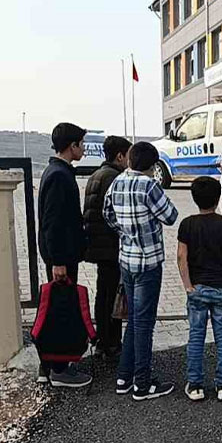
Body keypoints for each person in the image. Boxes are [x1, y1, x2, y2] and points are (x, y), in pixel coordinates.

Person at [103, 141, 178, 401]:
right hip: (149, 262)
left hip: (126, 260)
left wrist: (127, 233)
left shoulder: (117, 182)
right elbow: (171, 216)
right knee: (144, 324)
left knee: (133, 321)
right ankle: (143, 385)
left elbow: (108, 215)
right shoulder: (150, 186)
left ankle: (124, 377)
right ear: (152, 164)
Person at [37, 122, 91, 388]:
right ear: (72, 146)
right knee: (61, 312)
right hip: (61, 257)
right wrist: (58, 260)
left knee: (57, 308)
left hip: (62, 254)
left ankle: (47, 365)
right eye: (82, 143)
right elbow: (53, 222)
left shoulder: (57, 171)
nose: (84, 147)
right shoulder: (59, 175)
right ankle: (59, 369)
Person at [176, 177, 222, 402]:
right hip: (221, 288)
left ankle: (195, 385)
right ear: (218, 197)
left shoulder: (187, 224)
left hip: (197, 289)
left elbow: (182, 257)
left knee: (196, 337)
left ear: (194, 198)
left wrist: (188, 286)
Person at [82, 135, 131, 359]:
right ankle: (111, 342)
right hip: (111, 246)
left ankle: (103, 339)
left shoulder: (97, 175)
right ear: (120, 156)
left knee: (103, 294)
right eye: (128, 155)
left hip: (98, 245)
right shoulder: (114, 178)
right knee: (113, 296)